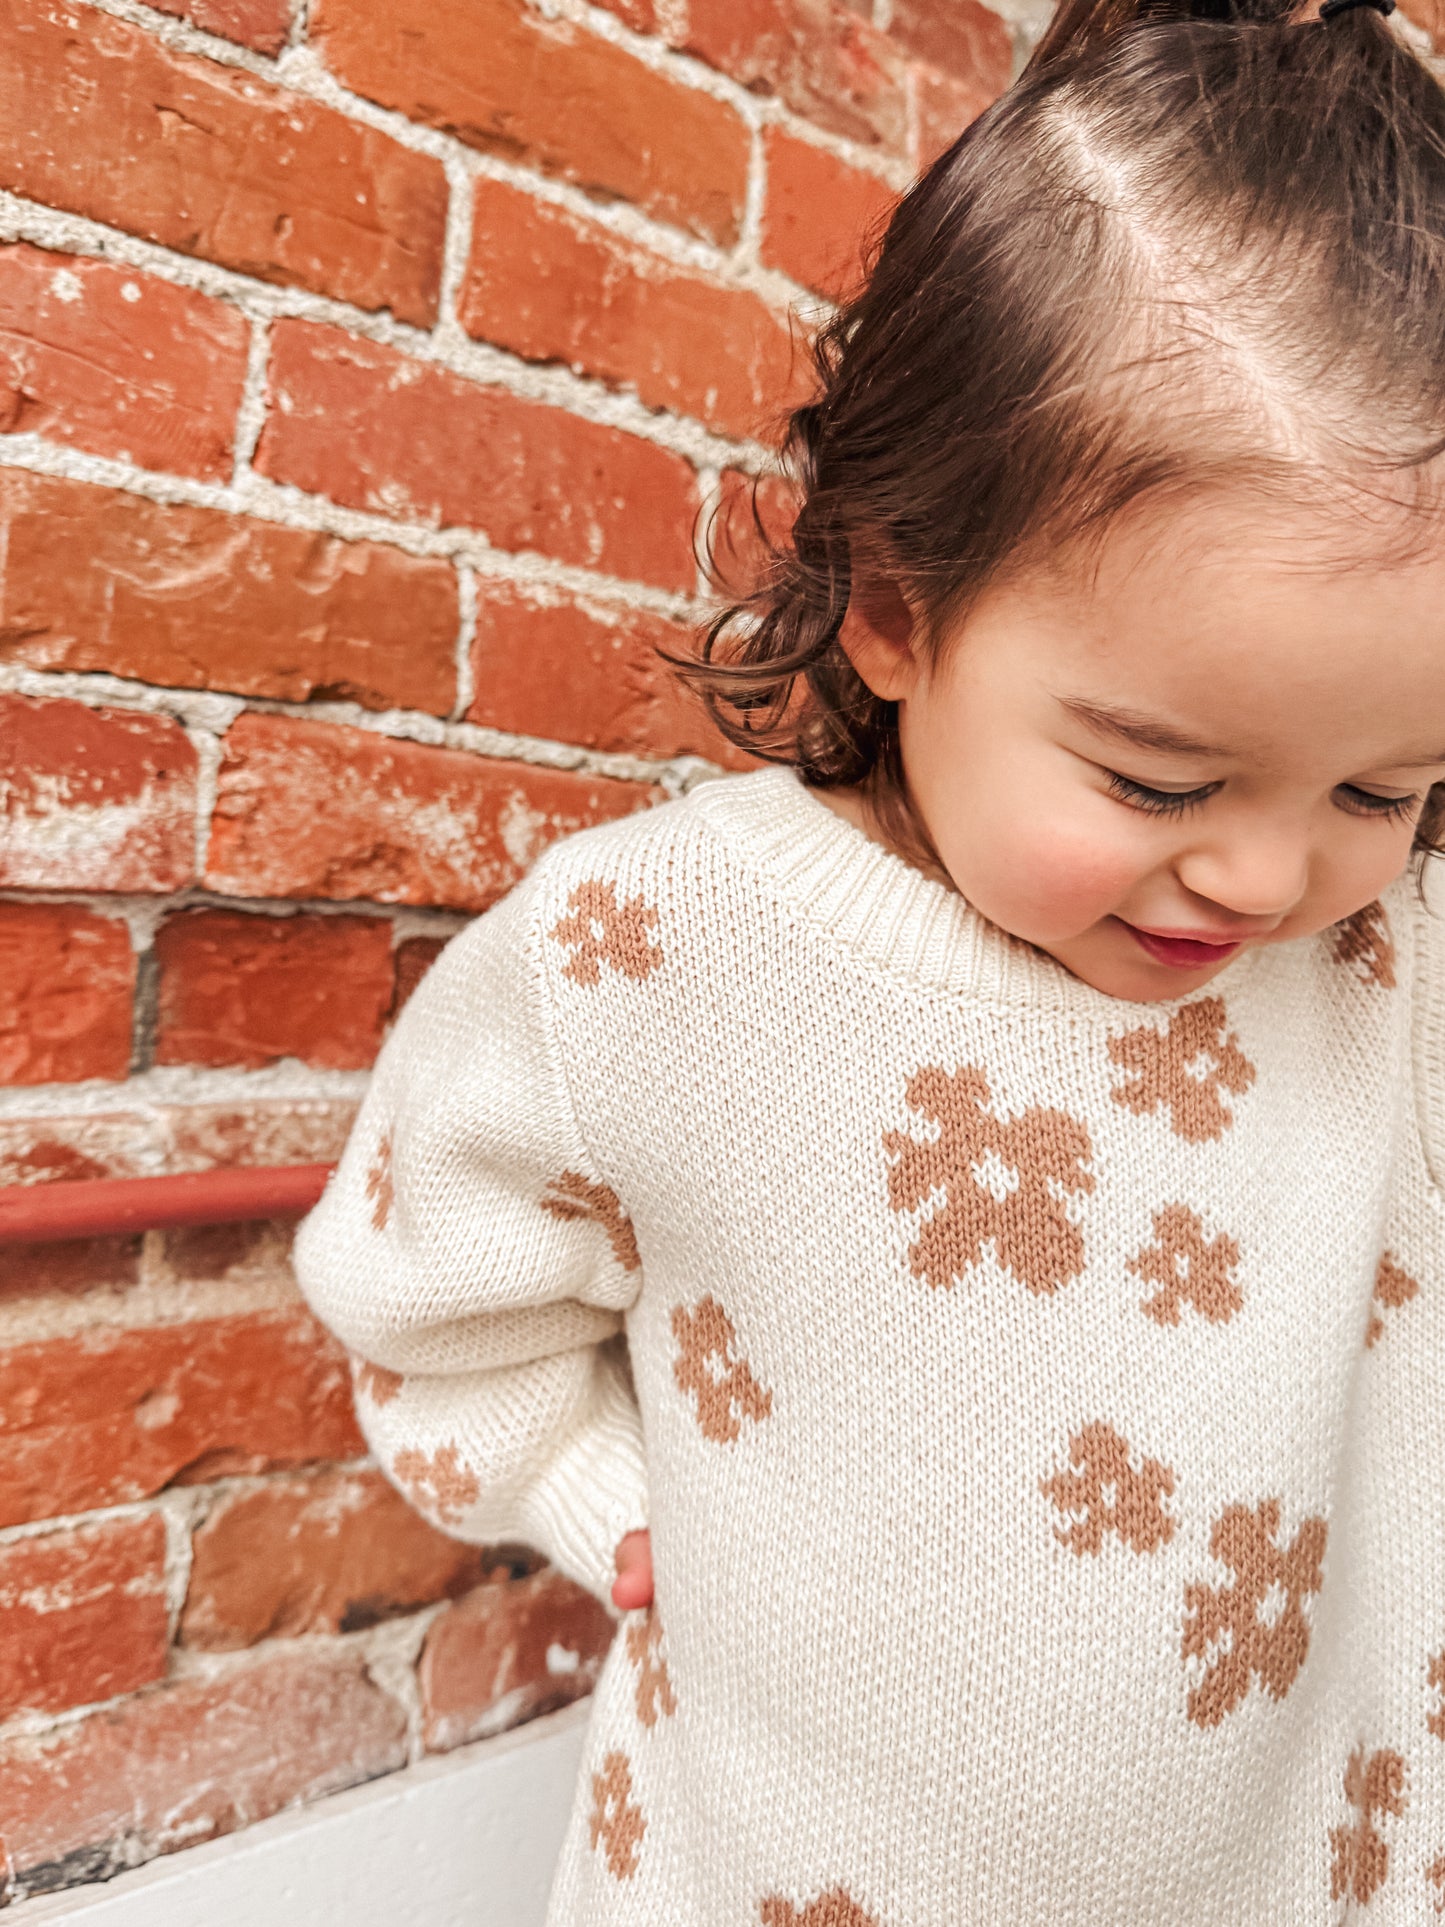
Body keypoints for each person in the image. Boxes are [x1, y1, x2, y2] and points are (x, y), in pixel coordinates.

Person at [292, 0, 1445, 1914]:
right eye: (1158, 774)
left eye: (1387, 786)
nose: (1264, 875)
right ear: (897, 609)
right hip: (778, 1871)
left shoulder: (1384, 969)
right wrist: (600, 1499)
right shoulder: (646, 963)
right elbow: (427, 1296)